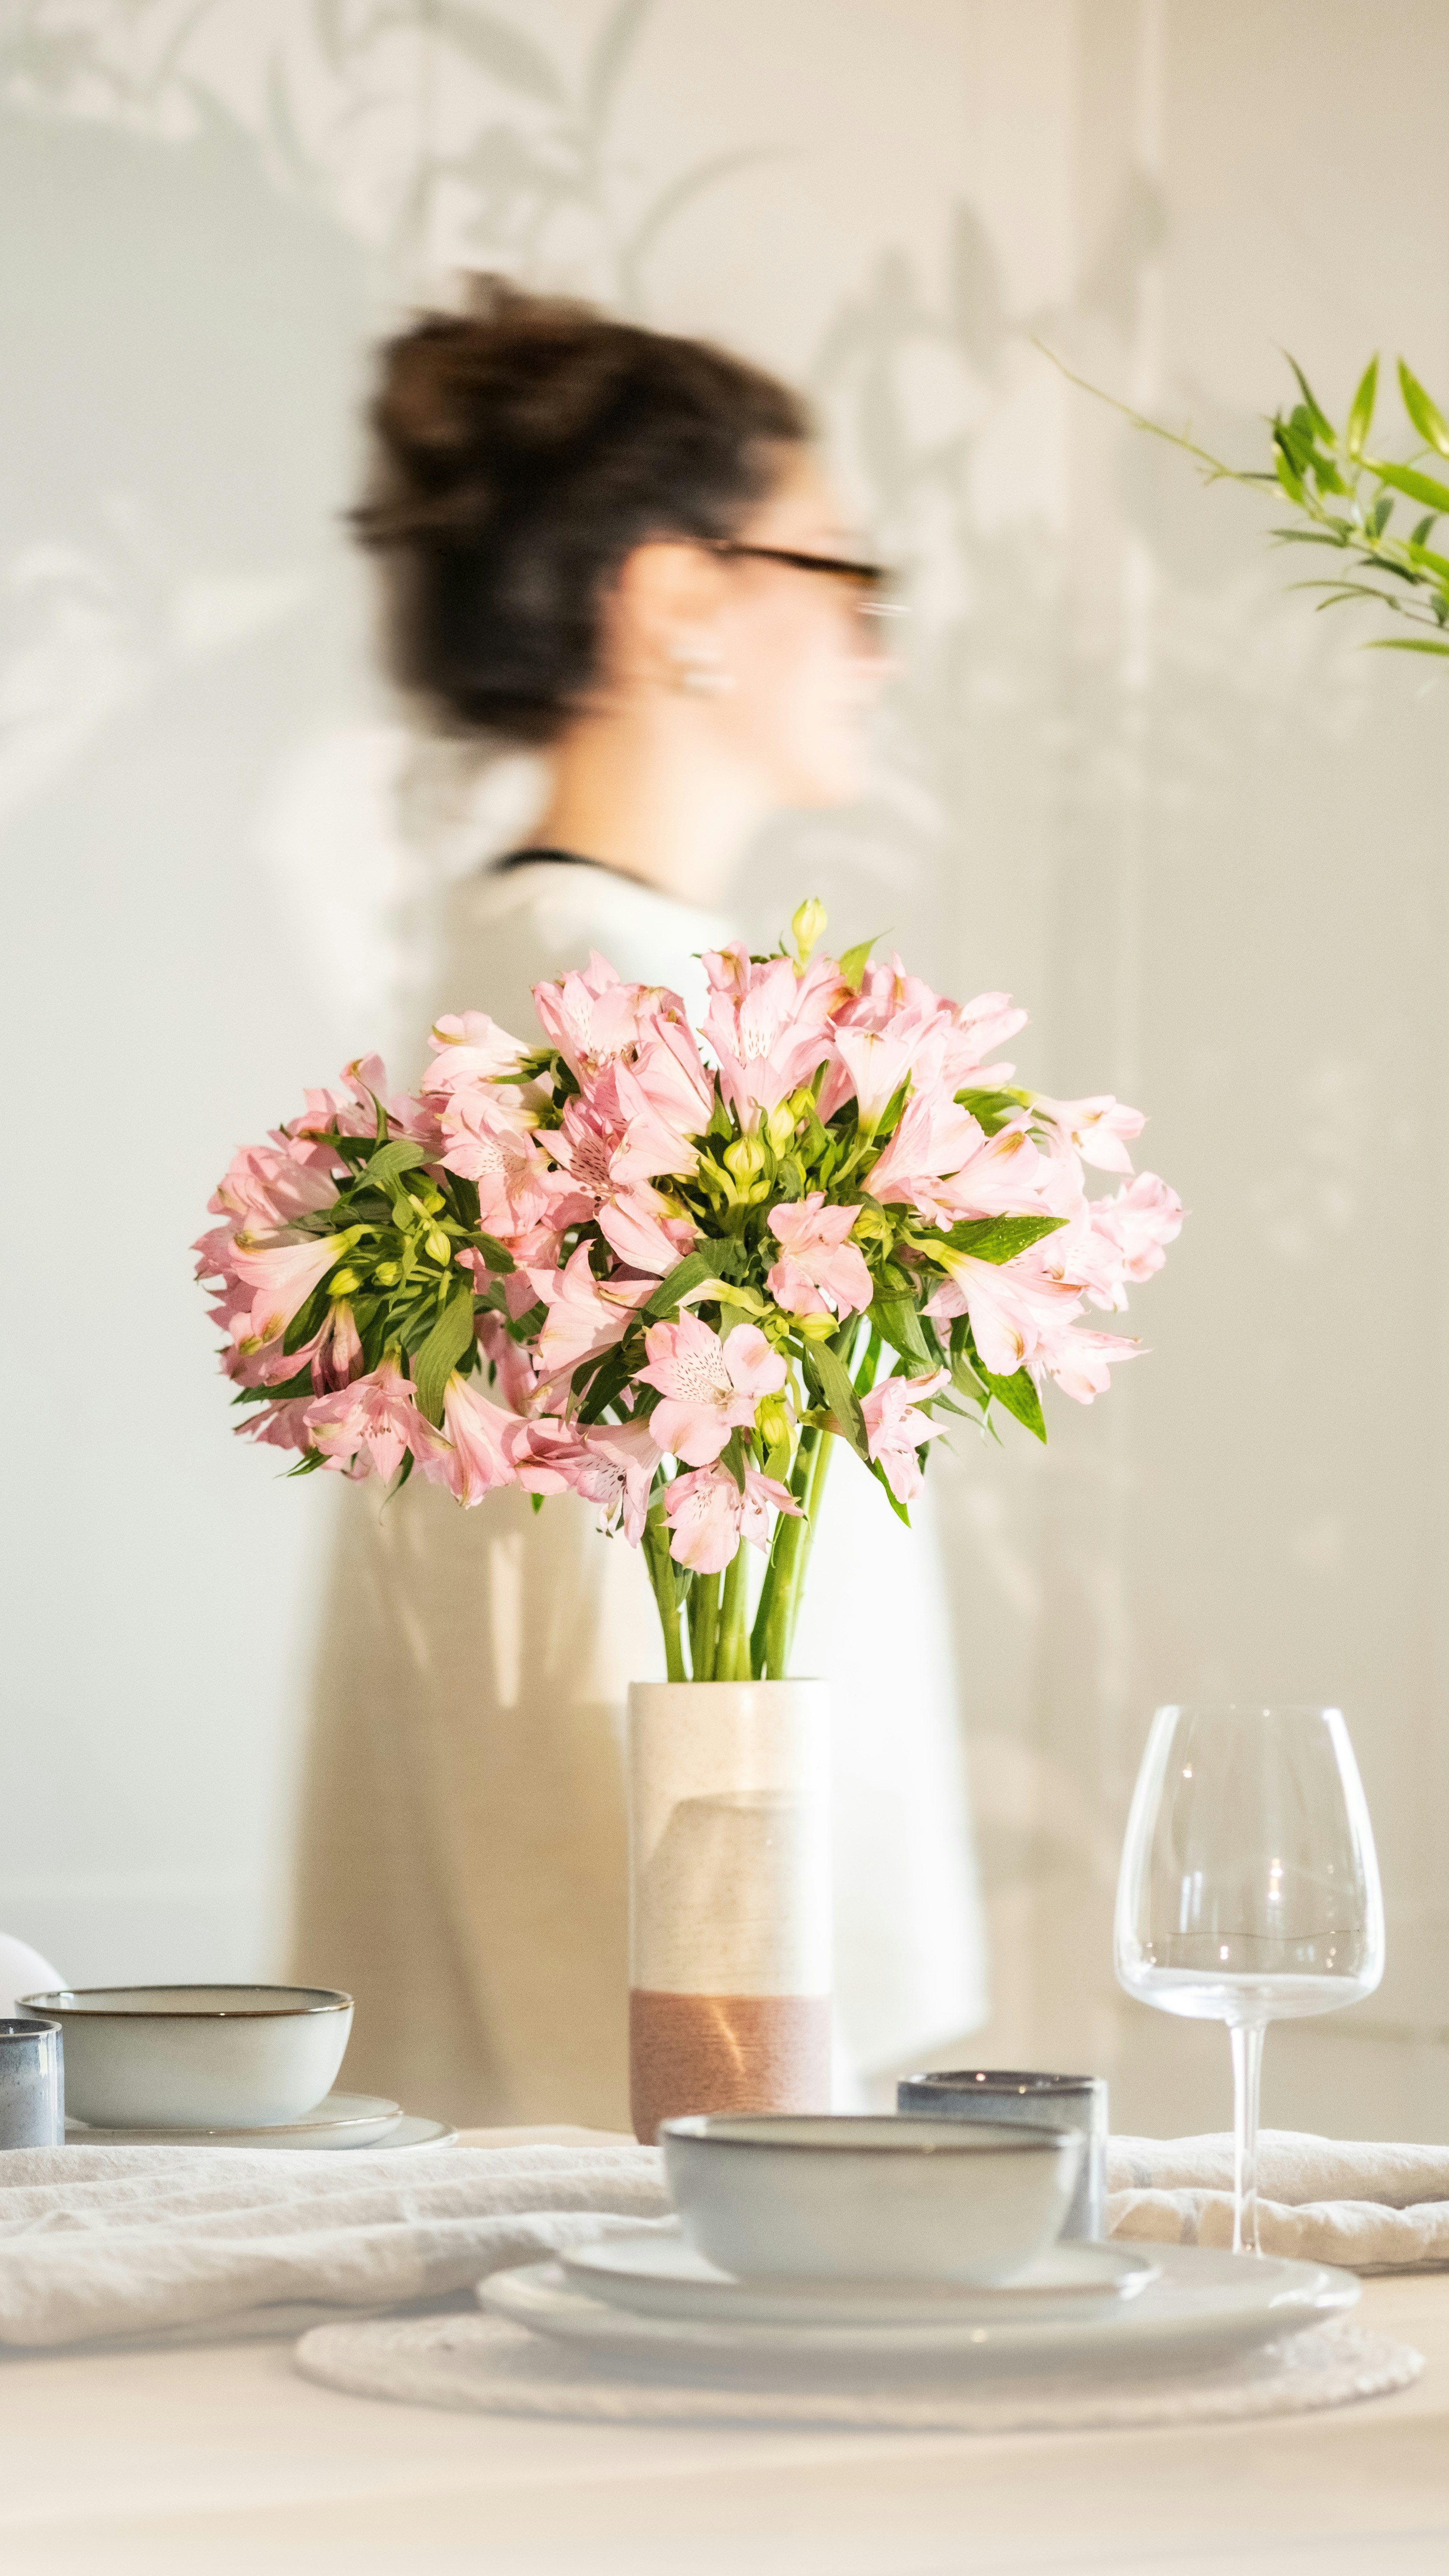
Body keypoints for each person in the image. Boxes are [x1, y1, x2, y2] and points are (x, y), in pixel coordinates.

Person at [290, 279, 986, 2128]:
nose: (873, 643)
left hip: (687, 2000)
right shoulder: (598, 1003)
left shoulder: (592, 968)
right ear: (679, 594)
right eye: (838, 569)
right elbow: (541, 1630)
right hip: (658, 2047)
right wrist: (685, 2112)